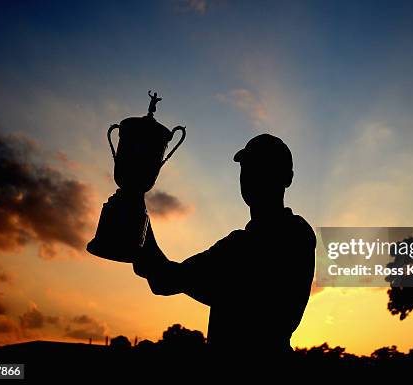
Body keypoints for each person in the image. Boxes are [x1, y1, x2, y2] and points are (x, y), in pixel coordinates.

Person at [133, 134, 316, 360]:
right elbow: (170, 279)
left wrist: (135, 205)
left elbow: (166, 280)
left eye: (261, 167)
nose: (251, 174)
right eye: (247, 167)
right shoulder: (293, 234)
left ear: (286, 178)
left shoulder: (265, 240)